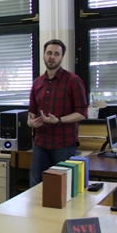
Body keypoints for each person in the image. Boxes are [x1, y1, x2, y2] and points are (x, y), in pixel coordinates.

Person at [28, 39, 87, 187]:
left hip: (63, 144)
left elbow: (82, 112)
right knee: (35, 185)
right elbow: (32, 112)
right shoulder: (37, 83)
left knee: (63, 187)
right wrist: (31, 122)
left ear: (61, 57)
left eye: (56, 54)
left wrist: (59, 120)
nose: (52, 57)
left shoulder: (73, 81)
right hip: (40, 143)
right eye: (49, 53)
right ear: (43, 55)